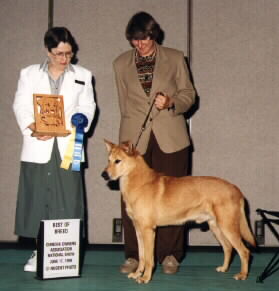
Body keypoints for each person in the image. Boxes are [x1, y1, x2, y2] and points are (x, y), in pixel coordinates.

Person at [113, 11, 196, 275]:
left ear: (153, 34)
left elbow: (189, 95)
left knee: (173, 197)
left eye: (144, 38)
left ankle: (170, 254)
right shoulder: (120, 63)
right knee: (131, 199)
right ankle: (133, 256)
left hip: (170, 136)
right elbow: (123, 103)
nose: (140, 44)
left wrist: (172, 102)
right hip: (134, 140)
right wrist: (125, 142)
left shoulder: (174, 57)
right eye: (135, 40)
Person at [13, 27, 96, 272]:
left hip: (69, 145)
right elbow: (20, 105)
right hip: (38, 145)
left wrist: (77, 122)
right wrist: (33, 127)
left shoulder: (83, 75)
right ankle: (38, 251)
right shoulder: (28, 74)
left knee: (67, 201)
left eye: (69, 54)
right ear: (47, 51)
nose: (64, 59)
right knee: (38, 199)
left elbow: (88, 106)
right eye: (59, 54)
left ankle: (63, 255)